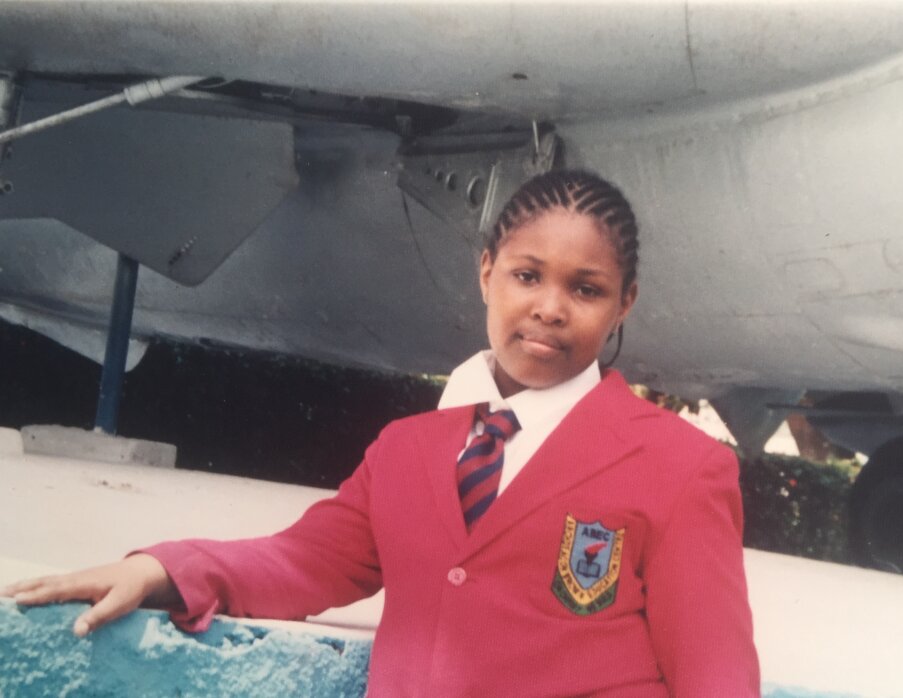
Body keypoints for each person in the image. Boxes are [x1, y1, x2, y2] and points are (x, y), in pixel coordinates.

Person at [2, 170, 760, 696]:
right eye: (529, 276)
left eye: (585, 289)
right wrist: (159, 571)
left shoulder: (679, 466)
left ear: (623, 303)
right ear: (487, 272)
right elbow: (304, 561)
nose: (551, 307)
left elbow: (715, 679)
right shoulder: (409, 450)